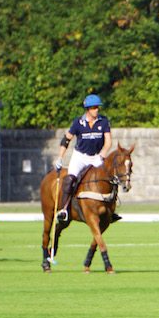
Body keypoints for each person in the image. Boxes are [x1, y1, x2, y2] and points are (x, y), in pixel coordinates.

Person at [54, 94, 112, 222]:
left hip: (96, 157)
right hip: (80, 157)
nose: (97, 110)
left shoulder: (104, 121)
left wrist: (101, 156)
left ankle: (110, 210)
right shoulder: (78, 122)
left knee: (109, 178)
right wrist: (60, 157)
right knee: (69, 180)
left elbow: (108, 142)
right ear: (88, 109)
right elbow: (66, 139)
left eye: (98, 107)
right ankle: (63, 210)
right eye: (94, 108)